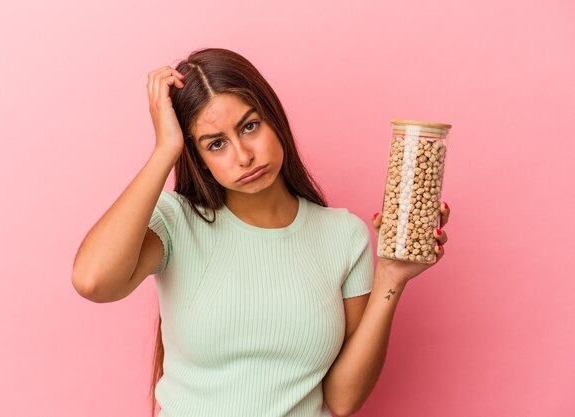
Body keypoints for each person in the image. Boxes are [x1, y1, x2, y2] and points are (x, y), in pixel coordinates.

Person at [72, 47, 451, 417]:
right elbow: (94, 281)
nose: (243, 155)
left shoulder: (343, 235)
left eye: (249, 126)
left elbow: (343, 400)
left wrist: (392, 276)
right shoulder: (176, 221)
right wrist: (164, 149)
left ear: (274, 120)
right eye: (216, 144)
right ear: (198, 158)